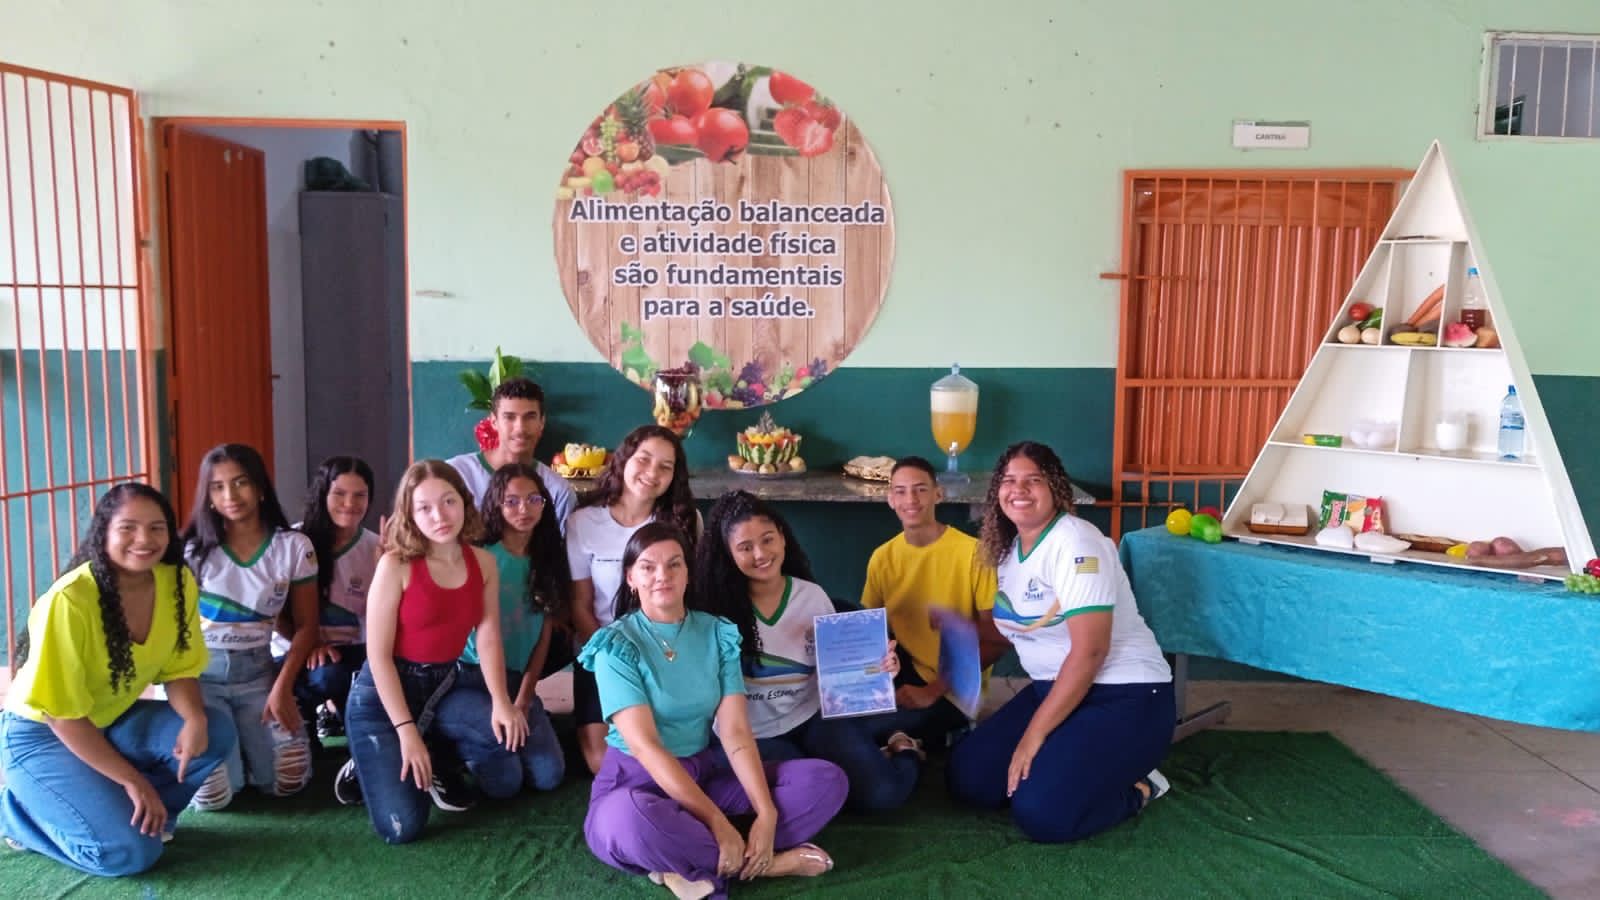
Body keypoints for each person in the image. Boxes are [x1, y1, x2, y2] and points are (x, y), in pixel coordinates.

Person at [581, 522, 845, 899]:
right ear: (630, 578)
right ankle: (766, 864)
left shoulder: (718, 633)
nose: (662, 576)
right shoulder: (616, 645)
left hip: (702, 775)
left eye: (674, 564)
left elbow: (735, 733)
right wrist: (717, 821)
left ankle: (689, 860)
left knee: (825, 781)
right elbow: (647, 748)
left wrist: (766, 813)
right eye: (648, 567)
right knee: (627, 819)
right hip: (635, 783)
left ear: (689, 572)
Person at [0, 483, 235, 876]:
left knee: (215, 730)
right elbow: (62, 717)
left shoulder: (177, 582)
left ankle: (147, 818)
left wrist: (194, 718)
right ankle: (16, 814)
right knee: (129, 855)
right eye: (128, 528)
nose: (144, 540)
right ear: (103, 533)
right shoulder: (70, 599)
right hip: (40, 733)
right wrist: (132, 780)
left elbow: (179, 669)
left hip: (109, 721)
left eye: (156, 528)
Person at [947, 441, 1175, 843]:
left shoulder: (1076, 543)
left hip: (1126, 695)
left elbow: (1090, 651)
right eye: (1009, 480)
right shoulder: (1010, 549)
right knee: (972, 780)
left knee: (1043, 814)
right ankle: (1066, 763)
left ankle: (1141, 787)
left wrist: (1033, 737)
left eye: (1033, 480)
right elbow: (1022, 627)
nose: (1019, 490)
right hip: (1056, 689)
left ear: (1055, 487)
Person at [337, 459, 528, 843]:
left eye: (448, 501)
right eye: (424, 507)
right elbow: (378, 657)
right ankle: (365, 760)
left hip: (442, 686)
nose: (439, 516)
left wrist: (501, 701)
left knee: (507, 779)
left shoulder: (484, 563)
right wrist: (406, 731)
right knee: (403, 827)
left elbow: (488, 636)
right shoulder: (395, 565)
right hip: (382, 697)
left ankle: (436, 751)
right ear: (409, 514)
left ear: (464, 502)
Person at [696, 490, 921, 812]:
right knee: (809, 790)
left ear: (782, 538)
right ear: (728, 553)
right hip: (750, 735)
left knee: (882, 795)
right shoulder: (712, 611)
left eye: (768, 540)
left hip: (812, 718)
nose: (760, 554)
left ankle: (904, 746)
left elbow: (841, 673)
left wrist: (881, 667)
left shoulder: (812, 597)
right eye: (745, 547)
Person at [182, 443, 318, 810]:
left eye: (240, 482)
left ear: (260, 488)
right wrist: (190, 709)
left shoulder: (294, 546)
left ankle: (244, 745)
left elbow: (307, 626)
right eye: (218, 486)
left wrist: (282, 688)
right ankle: (232, 749)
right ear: (208, 497)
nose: (230, 495)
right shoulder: (192, 552)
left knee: (288, 779)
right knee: (213, 796)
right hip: (200, 677)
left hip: (259, 673)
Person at [566, 424, 699, 774]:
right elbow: (580, 603)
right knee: (603, 761)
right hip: (602, 649)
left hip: (664, 650)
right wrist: (611, 654)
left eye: (665, 466)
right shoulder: (583, 522)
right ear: (623, 459)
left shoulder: (683, 522)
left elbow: (689, 598)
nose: (652, 472)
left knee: (670, 748)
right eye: (644, 459)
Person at [861, 456, 1007, 747]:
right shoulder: (882, 557)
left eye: (921, 489)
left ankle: (931, 738)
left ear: (938, 494)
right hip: (904, 669)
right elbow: (868, 630)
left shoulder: (974, 553)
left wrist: (933, 690)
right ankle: (911, 743)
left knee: (875, 731)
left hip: (954, 686)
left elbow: (999, 638)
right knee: (845, 725)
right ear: (890, 499)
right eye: (900, 491)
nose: (910, 499)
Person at [456, 463, 567, 797]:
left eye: (533, 499)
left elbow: (543, 635)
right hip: (472, 677)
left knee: (548, 776)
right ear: (496, 505)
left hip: (517, 678)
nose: (524, 509)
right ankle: (455, 742)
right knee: (505, 783)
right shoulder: (480, 557)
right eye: (512, 501)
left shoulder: (547, 560)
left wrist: (525, 697)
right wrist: (501, 701)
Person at [273, 456, 380, 744]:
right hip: (294, 647)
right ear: (323, 494)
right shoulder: (294, 541)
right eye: (340, 494)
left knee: (344, 678)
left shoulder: (375, 547)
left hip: (348, 651)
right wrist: (311, 645)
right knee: (322, 678)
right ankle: (308, 723)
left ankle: (337, 718)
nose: (350, 504)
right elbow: (276, 613)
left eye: (360, 495)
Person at [445, 377, 575, 525]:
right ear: (494, 421)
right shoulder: (456, 474)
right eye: (509, 417)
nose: (520, 428)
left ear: (542, 422)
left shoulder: (558, 491)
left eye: (530, 417)